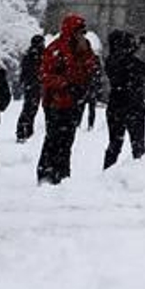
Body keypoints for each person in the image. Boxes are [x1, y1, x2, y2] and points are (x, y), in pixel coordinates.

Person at [38, 14, 100, 184]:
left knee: (67, 140)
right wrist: (65, 83)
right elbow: (44, 75)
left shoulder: (84, 48)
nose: (82, 35)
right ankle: (46, 173)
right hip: (56, 102)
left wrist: (85, 54)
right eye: (79, 32)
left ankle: (62, 174)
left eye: (84, 32)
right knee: (53, 139)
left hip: (74, 101)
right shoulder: (55, 49)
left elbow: (90, 68)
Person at [103, 30, 145, 169]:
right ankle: (138, 173)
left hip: (115, 106)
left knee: (114, 144)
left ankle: (106, 173)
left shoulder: (110, 60)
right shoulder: (131, 62)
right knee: (138, 146)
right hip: (134, 106)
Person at [15, 34, 44, 143]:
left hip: (31, 85)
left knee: (29, 108)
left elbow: (24, 70)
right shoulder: (37, 55)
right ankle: (24, 130)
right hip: (34, 84)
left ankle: (25, 130)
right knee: (30, 108)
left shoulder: (30, 54)